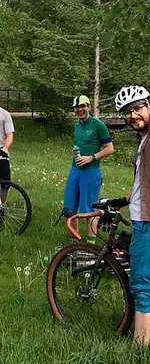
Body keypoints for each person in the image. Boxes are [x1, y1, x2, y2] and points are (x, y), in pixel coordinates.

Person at [115, 85, 150, 345]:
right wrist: (126, 198)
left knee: (142, 287)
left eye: (137, 108)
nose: (133, 115)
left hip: (146, 224)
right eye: (127, 112)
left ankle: (139, 353)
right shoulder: (144, 138)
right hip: (140, 214)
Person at [62, 95, 114, 240]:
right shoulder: (77, 126)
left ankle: (90, 246)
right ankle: (75, 241)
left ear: (89, 107)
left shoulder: (98, 125)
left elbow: (109, 148)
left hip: (91, 171)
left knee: (89, 208)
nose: (80, 109)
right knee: (69, 206)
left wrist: (91, 157)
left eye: (83, 106)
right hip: (75, 169)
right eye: (77, 107)